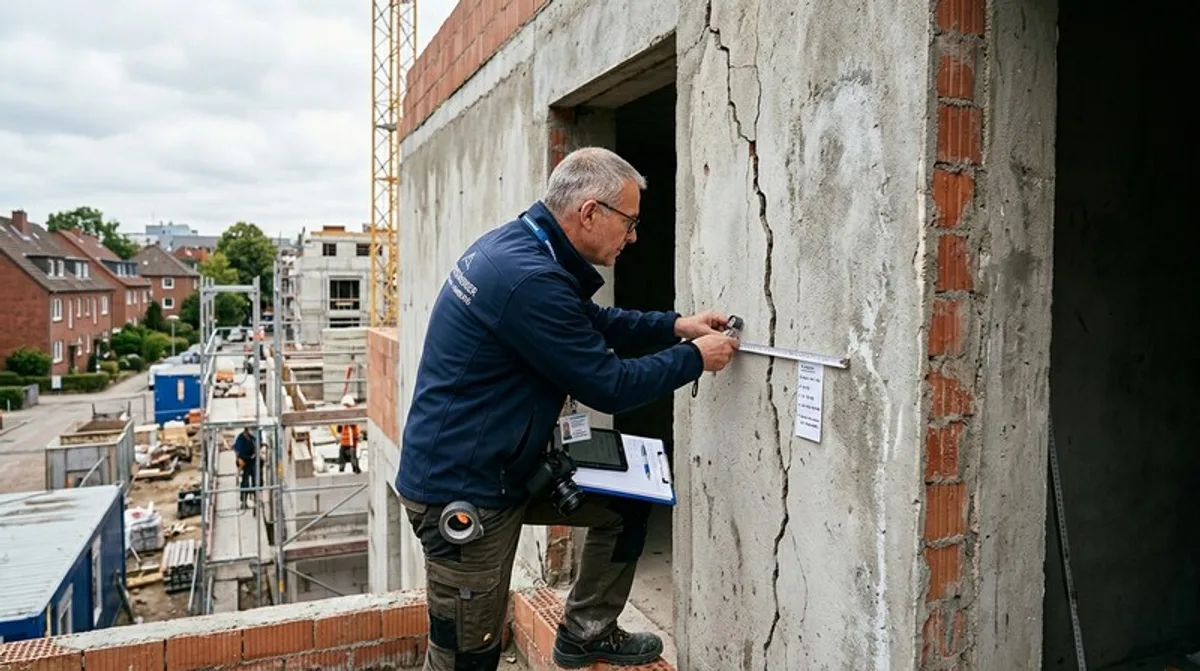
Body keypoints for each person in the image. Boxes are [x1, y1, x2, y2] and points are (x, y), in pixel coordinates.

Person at [397, 147, 740, 670]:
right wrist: (694, 358)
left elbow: (592, 323)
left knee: (625, 504)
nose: (633, 236)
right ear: (590, 212)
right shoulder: (528, 279)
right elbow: (609, 385)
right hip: (463, 488)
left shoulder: (526, 250)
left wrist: (675, 326)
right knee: (466, 657)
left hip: (507, 464)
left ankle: (587, 632)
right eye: (629, 222)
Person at [232, 427, 258, 511]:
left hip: (252, 461)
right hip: (244, 462)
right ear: (246, 430)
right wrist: (248, 457)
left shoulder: (252, 438)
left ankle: (255, 498)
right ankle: (243, 501)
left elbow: (256, 444)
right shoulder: (240, 439)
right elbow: (238, 451)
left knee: (255, 479)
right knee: (245, 482)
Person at [336, 395, 362, 474]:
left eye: (346, 405)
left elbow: (353, 427)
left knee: (353, 458)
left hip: (351, 442)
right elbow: (339, 429)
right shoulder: (344, 417)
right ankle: (342, 470)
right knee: (342, 458)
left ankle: (356, 469)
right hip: (344, 442)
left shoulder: (352, 416)